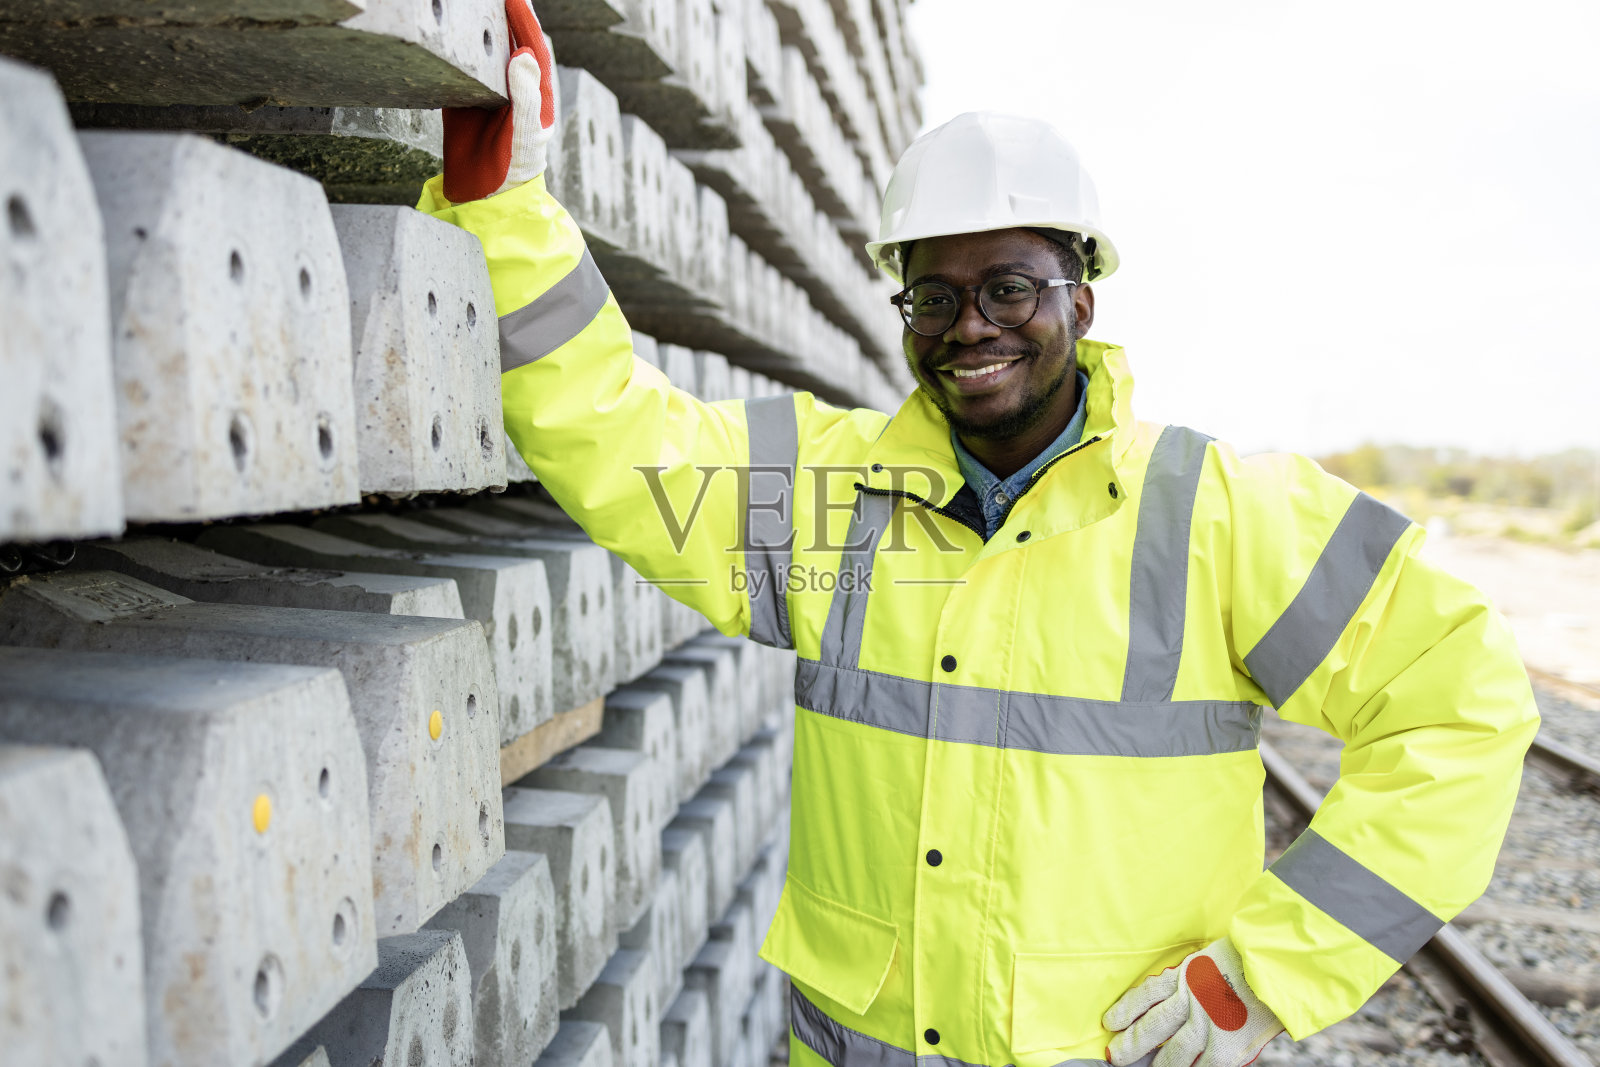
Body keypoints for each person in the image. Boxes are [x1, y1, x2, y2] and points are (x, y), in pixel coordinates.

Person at [425, 5, 1540, 1065]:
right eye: (934, 298)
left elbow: (1463, 702)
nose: (971, 327)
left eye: (1010, 287)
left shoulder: (1220, 512)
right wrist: (506, 211)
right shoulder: (827, 496)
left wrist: (1270, 967)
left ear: (1081, 301)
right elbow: (619, 436)